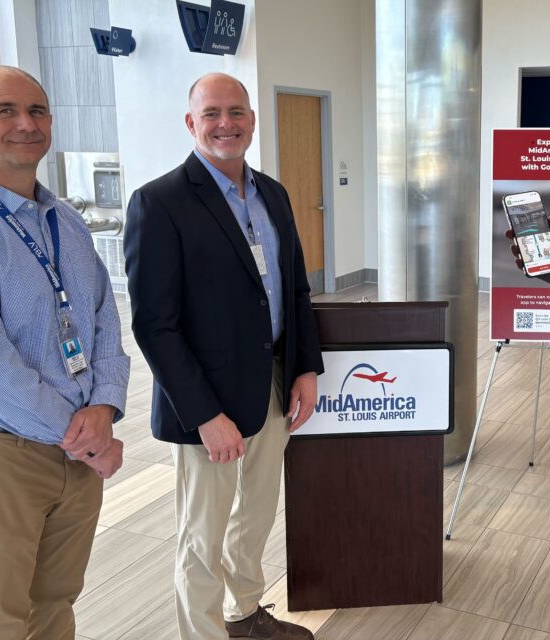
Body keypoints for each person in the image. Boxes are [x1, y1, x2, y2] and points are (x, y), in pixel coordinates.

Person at [124, 72, 323, 640]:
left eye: (236, 112)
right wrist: (205, 416)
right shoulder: (159, 202)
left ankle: (245, 612)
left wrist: (305, 366)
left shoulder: (274, 194)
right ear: (191, 123)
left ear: (252, 121)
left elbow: (295, 288)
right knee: (202, 534)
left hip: (273, 382)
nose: (225, 124)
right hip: (208, 402)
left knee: (256, 516)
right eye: (211, 113)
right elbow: (154, 326)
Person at [0, 65, 129, 639]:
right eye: (7, 111)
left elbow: (103, 318)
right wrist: (84, 436)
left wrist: (104, 408)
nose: (27, 124)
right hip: (5, 451)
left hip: (78, 452)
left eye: (38, 111)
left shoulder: (66, 221)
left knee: (55, 604)